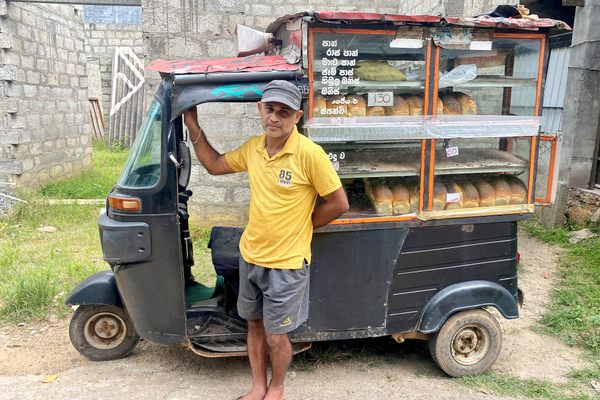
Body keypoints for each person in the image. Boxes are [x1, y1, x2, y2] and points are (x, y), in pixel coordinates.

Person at [183, 80, 349, 400]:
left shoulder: (309, 155)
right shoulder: (254, 148)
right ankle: (257, 385)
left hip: (287, 264)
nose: (275, 117)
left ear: (296, 116)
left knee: (276, 335)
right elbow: (216, 166)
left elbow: (338, 202)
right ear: (260, 110)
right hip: (252, 255)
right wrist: (194, 126)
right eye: (270, 109)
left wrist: (304, 226)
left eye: (284, 112)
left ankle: (277, 388)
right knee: (254, 325)